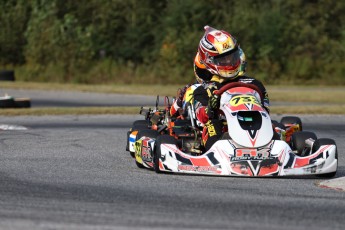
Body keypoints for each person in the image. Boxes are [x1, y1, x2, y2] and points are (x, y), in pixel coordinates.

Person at [170, 25, 270, 151]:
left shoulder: (255, 84)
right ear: (209, 60)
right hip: (222, 128)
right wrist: (210, 108)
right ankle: (218, 152)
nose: (229, 62)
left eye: (231, 57)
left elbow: (265, 111)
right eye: (223, 59)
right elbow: (200, 115)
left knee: (272, 126)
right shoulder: (203, 90)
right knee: (213, 125)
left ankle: (273, 148)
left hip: (253, 123)